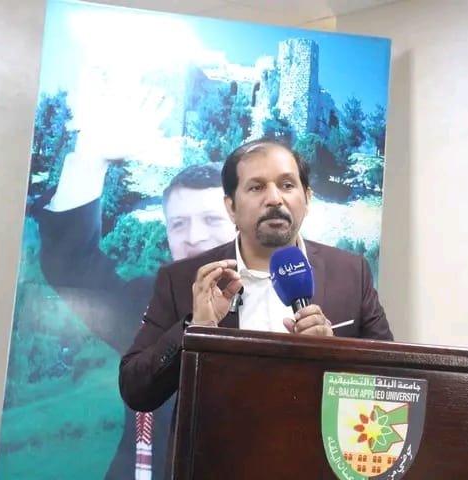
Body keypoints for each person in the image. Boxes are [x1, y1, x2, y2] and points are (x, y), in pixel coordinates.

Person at [118, 137, 393, 476]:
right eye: (256, 187)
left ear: (307, 198)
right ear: (231, 207)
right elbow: (136, 389)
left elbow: (393, 384)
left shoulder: (351, 272)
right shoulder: (184, 279)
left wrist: (334, 358)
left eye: (287, 185)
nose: (274, 198)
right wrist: (195, 328)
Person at [34, 80, 235, 479]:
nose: (194, 236)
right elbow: (71, 264)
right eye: (179, 223)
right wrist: (91, 158)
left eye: (211, 220)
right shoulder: (150, 307)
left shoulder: (290, 312)